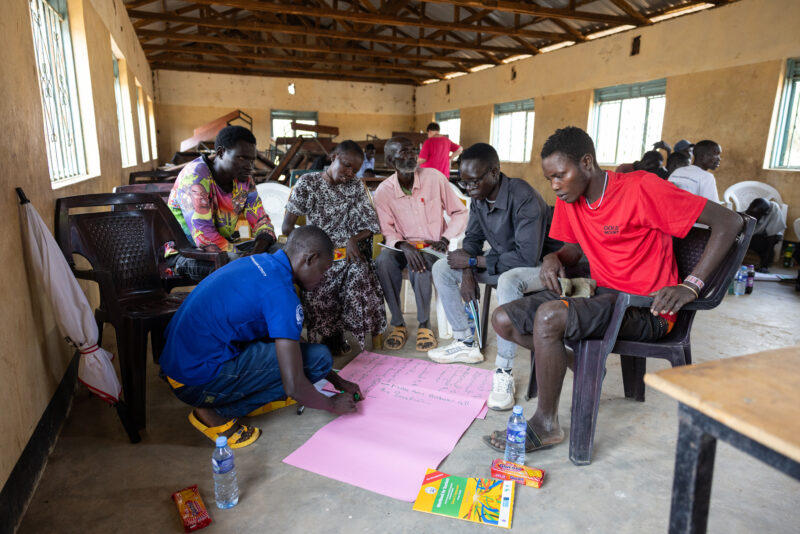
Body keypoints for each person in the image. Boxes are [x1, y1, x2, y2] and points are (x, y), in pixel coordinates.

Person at [484, 126, 742, 454]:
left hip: (647, 309)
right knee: (504, 319)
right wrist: (553, 257)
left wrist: (692, 285)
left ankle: (546, 424)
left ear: (587, 163)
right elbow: (573, 248)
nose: (555, 186)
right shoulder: (569, 196)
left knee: (549, 317)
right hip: (601, 296)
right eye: (550, 178)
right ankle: (577, 362)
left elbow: (730, 223)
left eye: (560, 175)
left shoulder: (642, 189)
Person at [159, 226, 362, 448]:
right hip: (195, 380)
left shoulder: (259, 263)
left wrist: (338, 381)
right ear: (310, 259)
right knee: (317, 361)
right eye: (323, 271)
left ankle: (224, 396)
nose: (322, 279)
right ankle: (216, 412)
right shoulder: (282, 295)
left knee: (307, 360)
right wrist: (332, 404)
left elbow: (289, 342)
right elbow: (293, 384)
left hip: (176, 363)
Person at [427, 143, 549, 411]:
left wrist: (472, 261)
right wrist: (468, 269)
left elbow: (526, 258)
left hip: (541, 266)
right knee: (443, 268)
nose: (468, 189)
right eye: (463, 182)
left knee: (508, 281)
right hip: (504, 259)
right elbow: (472, 239)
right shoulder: (480, 197)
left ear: (495, 172)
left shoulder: (523, 196)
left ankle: (504, 370)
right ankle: (465, 341)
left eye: (474, 181)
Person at [282, 141, 387, 355]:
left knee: (359, 272)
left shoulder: (355, 186)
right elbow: (287, 227)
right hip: (317, 254)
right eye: (346, 165)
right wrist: (307, 251)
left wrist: (352, 240)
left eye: (355, 170)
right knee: (318, 280)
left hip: (347, 253)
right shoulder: (308, 183)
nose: (350, 173)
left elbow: (371, 226)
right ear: (334, 157)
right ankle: (329, 334)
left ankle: (339, 332)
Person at [373, 136, 469, 352]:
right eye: (403, 153)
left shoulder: (434, 178)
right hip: (401, 246)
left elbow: (459, 212)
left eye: (412, 151)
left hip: (432, 245)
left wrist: (446, 238)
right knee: (383, 262)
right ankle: (397, 323)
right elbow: (387, 230)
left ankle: (425, 324)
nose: (411, 157)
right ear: (390, 161)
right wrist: (404, 246)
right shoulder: (383, 191)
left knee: (421, 267)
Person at [167, 125, 277, 280]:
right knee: (243, 270)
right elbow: (204, 236)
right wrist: (248, 259)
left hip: (226, 247)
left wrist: (256, 252)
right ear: (220, 153)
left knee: (281, 253)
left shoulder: (244, 180)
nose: (249, 166)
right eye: (241, 158)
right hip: (186, 253)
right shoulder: (195, 176)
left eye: (252, 160)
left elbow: (262, 222)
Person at [745, 197, 786, 272]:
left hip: (765, 238)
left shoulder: (774, 211)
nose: (754, 215)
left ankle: (765, 263)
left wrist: (764, 266)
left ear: (764, 214)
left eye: (756, 214)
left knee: (773, 239)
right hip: (752, 235)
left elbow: (772, 238)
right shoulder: (751, 210)